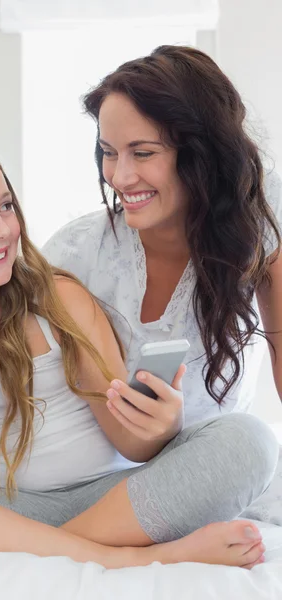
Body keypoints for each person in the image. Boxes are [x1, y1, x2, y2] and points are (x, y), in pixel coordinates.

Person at [0, 137, 278, 571]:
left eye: (7, 206)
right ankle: (134, 557)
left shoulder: (57, 299)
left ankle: (53, 550)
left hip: (112, 500)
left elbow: (131, 443)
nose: (2, 229)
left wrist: (162, 426)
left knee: (249, 441)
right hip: (16, 510)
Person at [42, 45, 282, 427]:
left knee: (248, 438)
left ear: (202, 154)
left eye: (142, 153)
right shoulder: (74, 252)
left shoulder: (259, 220)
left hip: (210, 455)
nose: (119, 177)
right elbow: (2, 389)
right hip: (93, 463)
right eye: (108, 152)